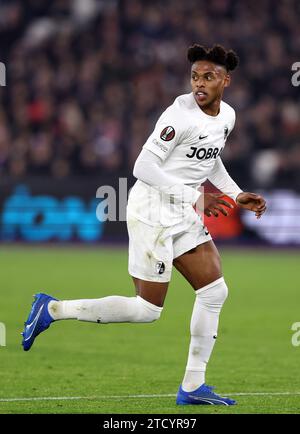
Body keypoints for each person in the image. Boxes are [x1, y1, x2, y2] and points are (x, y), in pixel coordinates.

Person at [22, 44, 266, 406]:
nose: (199, 84)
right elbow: (143, 168)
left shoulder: (227, 116)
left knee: (215, 291)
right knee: (148, 311)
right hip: (152, 210)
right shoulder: (177, 115)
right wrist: (197, 198)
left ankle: (193, 387)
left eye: (208, 77)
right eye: (195, 76)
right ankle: (53, 309)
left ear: (225, 81)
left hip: (181, 211)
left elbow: (210, 160)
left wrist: (236, 192)